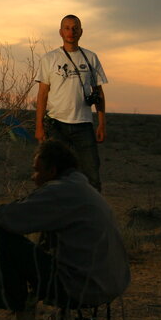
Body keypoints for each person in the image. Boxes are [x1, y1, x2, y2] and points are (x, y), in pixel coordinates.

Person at [0, 140, 130, 320]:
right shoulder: (83, 188)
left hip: (81, 289)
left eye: (37, 171)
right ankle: (39, 313)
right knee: (43, 242)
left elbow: (10, 217)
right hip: (110, 285)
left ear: (52, 170)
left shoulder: (60, 191)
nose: (33, 177)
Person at [35, 14, 107, 191]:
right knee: (53, 174)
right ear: (60, 32)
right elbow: (43, 94)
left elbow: (99, 92)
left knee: (92, 175)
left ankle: (91, 213)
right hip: (56, 123)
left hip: (83, 124)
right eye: (67, 28)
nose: (71, 31)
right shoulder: (49, 59)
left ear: (81, 32)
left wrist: (101, 124)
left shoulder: (90, 58)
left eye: (75, 28)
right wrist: (39, 126)